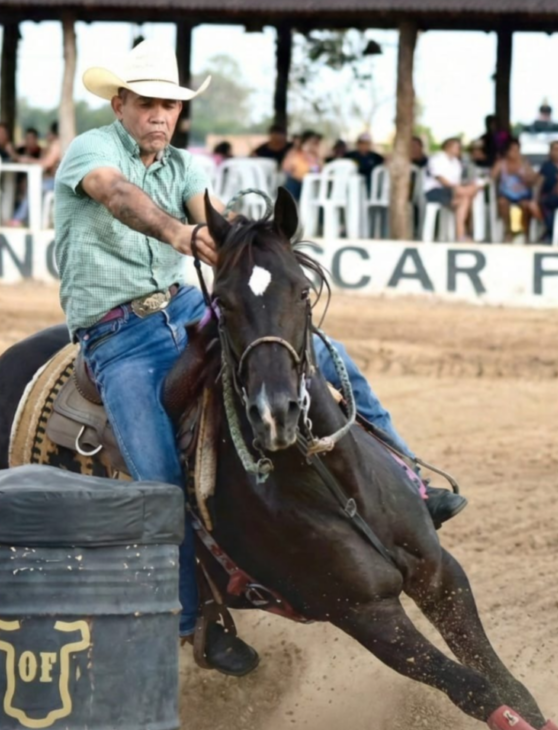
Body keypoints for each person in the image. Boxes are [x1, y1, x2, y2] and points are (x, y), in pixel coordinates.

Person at [54, 40, 467, 676]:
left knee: (326, 355)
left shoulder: (183, 166)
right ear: (120, 105)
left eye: (169, 105)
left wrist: (257, 240)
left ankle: (412, 481)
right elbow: (117, 196)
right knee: (159, 480)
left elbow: (220, 220)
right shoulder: (92, 151)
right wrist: (180, 233)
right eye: (146, 104)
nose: (159, 115)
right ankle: (195, 618)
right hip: (118, 337)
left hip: (185, 310)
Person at [423, 137, 481, 242]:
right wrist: (460, 189)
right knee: (467, 195)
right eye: (457, 147)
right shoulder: (436, 158)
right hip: (435, 191)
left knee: (466, 198)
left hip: (451, 193)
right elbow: (441, 179)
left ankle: (461, 235)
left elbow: (456, 183)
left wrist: (463, 188)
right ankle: (462, 235)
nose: (459, 150)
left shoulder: (456, 163)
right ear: (448, 147)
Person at [9, 121, 63, 226]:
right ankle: (24, 219)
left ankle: (18, 219)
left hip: (57, 183)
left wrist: (28, 160)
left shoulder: (57, 145)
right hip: (55, 181)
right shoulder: (54, 145)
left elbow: (47, 163)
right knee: (32, 185)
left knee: (34, 186)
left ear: (53, 133)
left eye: (49, 132)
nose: (47, 135)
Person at [491, 138, 539, 243]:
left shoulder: (524, 163)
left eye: (517, 150)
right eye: (512, 150)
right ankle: (508, 231)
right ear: (507, 151)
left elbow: (534, 179)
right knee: (502, 203)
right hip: (506, 195)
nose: (515, 153)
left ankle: (526, 233)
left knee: (526, 206)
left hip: (523, 195)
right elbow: (491, 178)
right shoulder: (501, 163)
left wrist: (525, 177)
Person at [281, 130, 322, 200]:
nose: (313, 145)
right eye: (311, 142)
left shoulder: (316, 157)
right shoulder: (294, 153)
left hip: (312, 185)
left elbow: (319, 170)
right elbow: (286, 168)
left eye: (315, 143)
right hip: (296, 183)